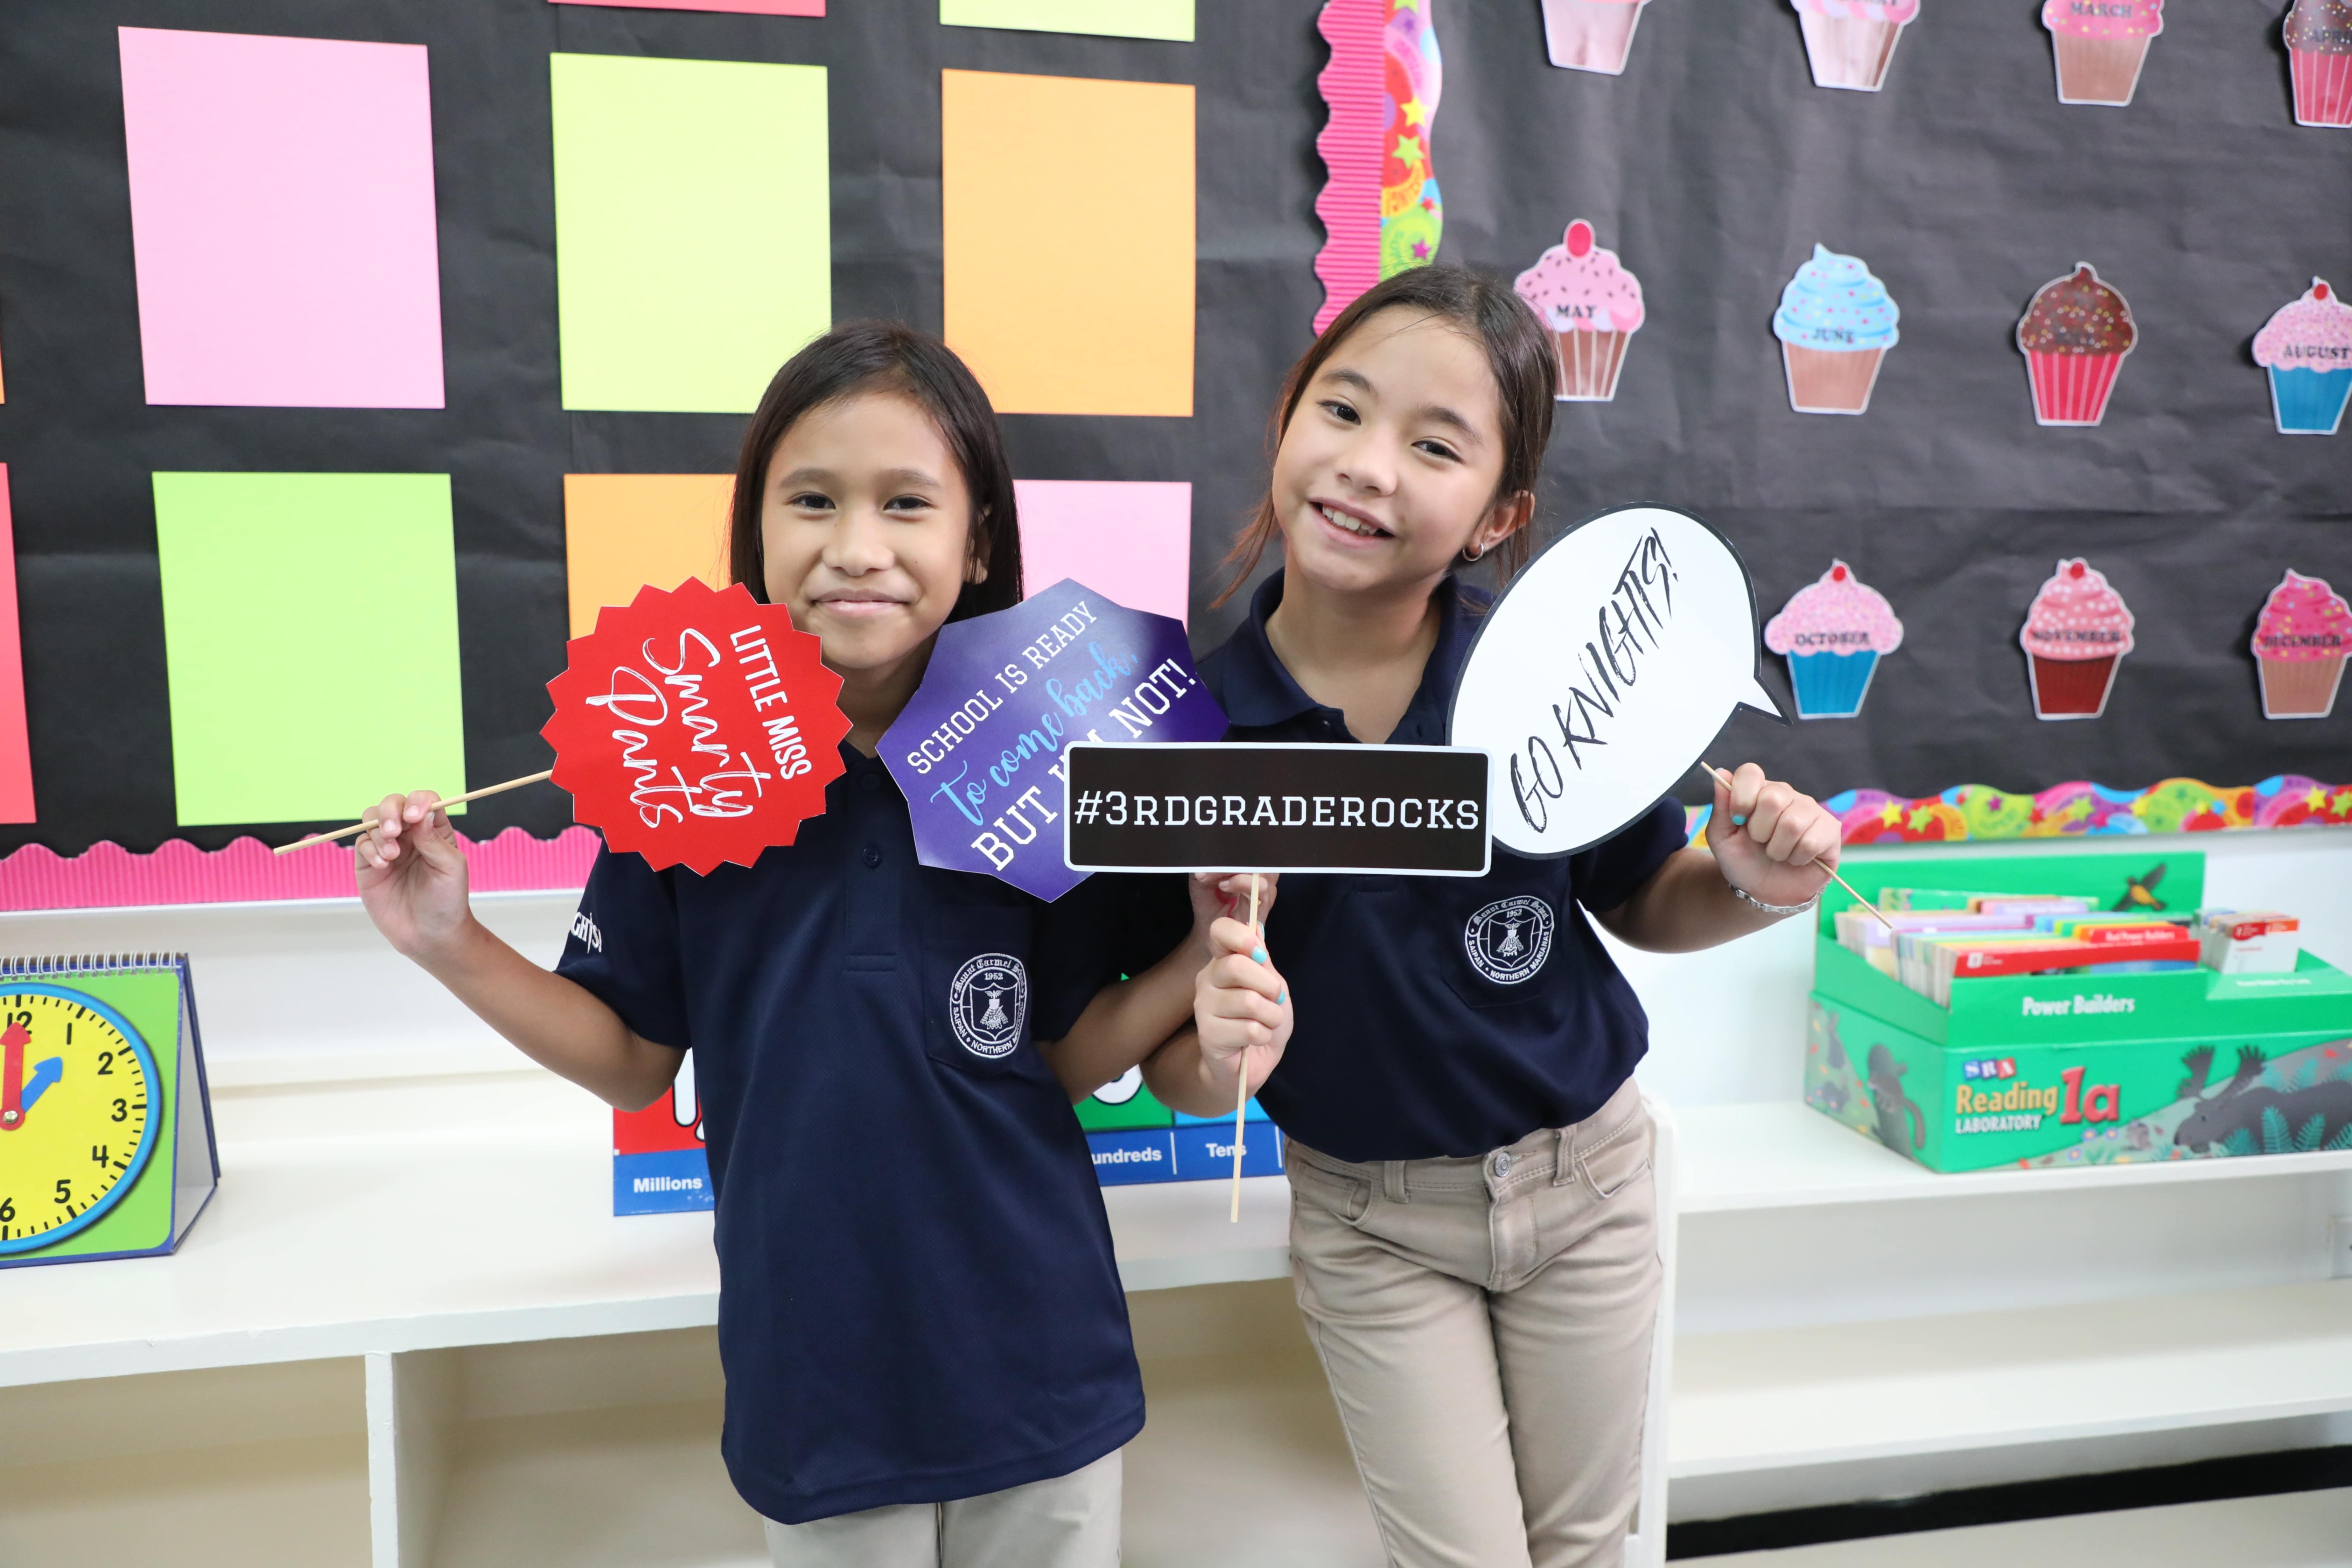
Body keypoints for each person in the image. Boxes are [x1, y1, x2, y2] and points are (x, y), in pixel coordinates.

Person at [354, 321, 1262, 1568]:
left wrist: (1191, 955)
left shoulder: (1044, 757)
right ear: (758, 528)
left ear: (978, 537)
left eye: (907, 503)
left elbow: (1056, 1056)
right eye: (813, 501)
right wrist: (449, 940)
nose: (857, 548)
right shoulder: (685, 773)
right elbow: (631, 1062)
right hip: (816, 1384)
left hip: (1043, 1368)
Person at [1148, 266, 1844, 1568]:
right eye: (1342, 412)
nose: (1369, 467)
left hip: (1589, 1185)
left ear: (1495, 515)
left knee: (1588, 1550)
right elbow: (1180, 1070)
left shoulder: (1539, 678)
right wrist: (1218, 1042)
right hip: (1370, 1225)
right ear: (1285, 421)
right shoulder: (1188, 726)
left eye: (1434, 446)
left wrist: (1758, 881)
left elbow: (1643, 898)